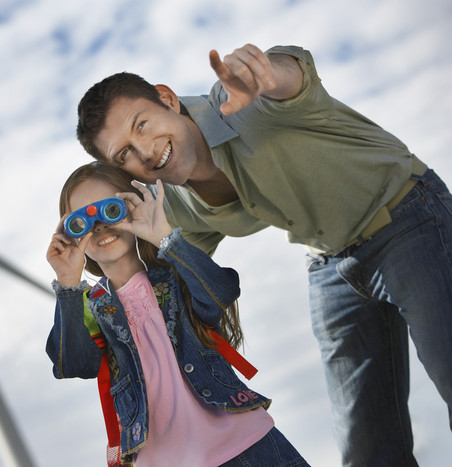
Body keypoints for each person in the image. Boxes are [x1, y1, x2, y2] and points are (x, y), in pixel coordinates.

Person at [75, 43, 452, 467]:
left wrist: (269, 73)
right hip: (329, 260)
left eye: (142, 125)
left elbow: (293, 78)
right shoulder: (171, 207)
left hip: (407, 219)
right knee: (366, 446)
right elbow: (176, 291)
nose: (144, 152)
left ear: (167, 99)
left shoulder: (239, 102)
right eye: (123, 154)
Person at [45, 162, 309, 467]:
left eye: (110, 209)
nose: (100, 225)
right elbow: (74, 363)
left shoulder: (176, 274)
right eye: (83, 221)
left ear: (134, 205)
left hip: (247, 445)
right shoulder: (89, 310)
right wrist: (67, 285)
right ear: (69, 232)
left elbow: (221, 291)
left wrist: (164, 237)